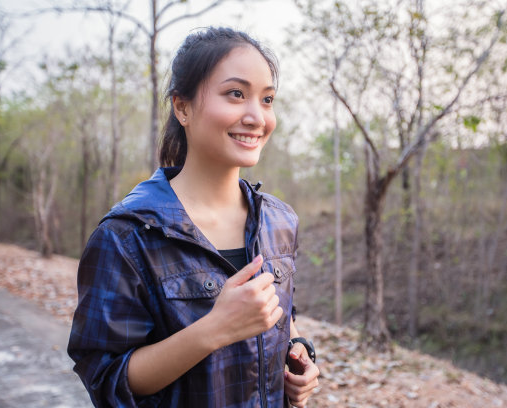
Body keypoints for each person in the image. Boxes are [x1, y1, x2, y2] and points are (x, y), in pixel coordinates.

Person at [68, 27, 320, 407]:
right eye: (236, 94)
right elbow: (107, 379)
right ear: (181, 107)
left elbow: (281, 315)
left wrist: (296, 350)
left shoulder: (280, 221)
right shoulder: (127, 236)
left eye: (267, 99)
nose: (256, 116)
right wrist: (213, 330)